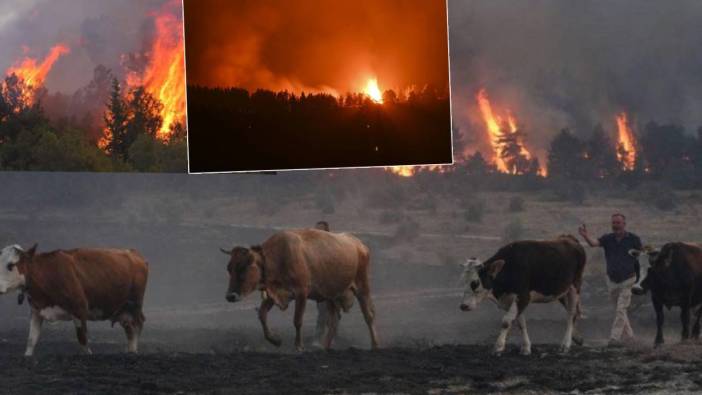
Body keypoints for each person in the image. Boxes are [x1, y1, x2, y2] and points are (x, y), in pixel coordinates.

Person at [579, 213, 642, 346]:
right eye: (613, 223)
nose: (615, 225)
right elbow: (594, 243)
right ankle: (630, 338)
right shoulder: (608, 238)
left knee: (620, 309)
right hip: (612, 280)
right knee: (620, 311)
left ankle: (614, 338)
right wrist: (585, 236)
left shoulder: (634, 239)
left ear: (624, 224)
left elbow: (640, 255)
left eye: (618, 223)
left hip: (628, 279)